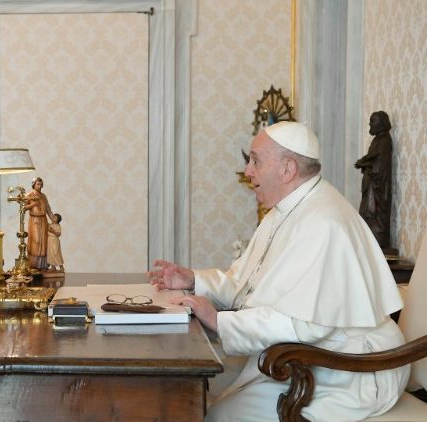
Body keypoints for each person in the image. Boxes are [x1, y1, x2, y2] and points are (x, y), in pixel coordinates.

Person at [149, 122, 408, 421]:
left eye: (256, 160)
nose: (247, 171)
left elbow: (304, 324)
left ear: (287, 169)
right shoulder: (284, 211)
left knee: (216, 413)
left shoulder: (324, 222)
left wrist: (219, 321)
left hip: (352, 370)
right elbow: (245, 284)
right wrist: (194, 280)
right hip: (311, 356)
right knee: (180, 390)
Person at [355, 110, 393, 249]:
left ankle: (377, 240)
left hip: (377, 188)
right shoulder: (378, 139)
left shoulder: (384, 141)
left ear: (381, 123)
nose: (370, 124)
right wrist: (363, 162)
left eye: (373, 121)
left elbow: (379, 165)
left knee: (374, 215)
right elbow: (373, 157)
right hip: (371, 186)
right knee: (367, 214)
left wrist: (363, 163)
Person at [24, 177, 54, 270]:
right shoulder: (30, 194)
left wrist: (53, 219)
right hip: (34, 220)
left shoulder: (43, 196)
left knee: (43, 241)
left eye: (41, 184)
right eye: (38, 184)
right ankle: (33, 264)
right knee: (36, 241)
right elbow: (23, 207)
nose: (40, 186)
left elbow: (48, 208)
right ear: (34, 184)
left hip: (43, 220)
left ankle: (42, 265)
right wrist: (33, 204)